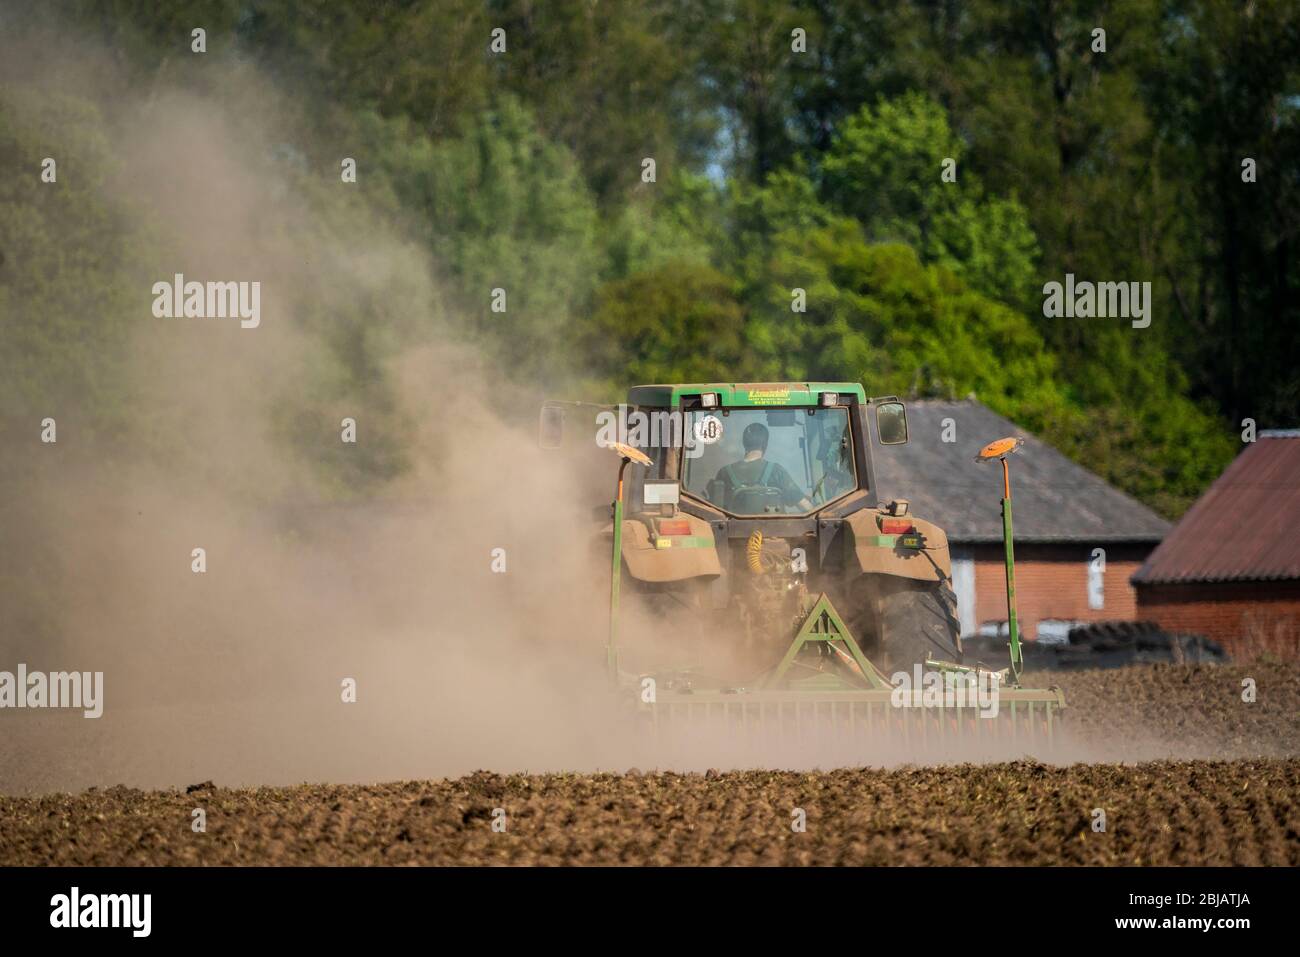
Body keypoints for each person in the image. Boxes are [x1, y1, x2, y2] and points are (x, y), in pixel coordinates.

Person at [714, 422, 813, 513]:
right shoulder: (777, 471)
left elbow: (714, 513)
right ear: (765, 445)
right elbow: (806, 507)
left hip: (735, 531)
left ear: (744, 443)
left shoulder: (724, 473)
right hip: (776, 531)